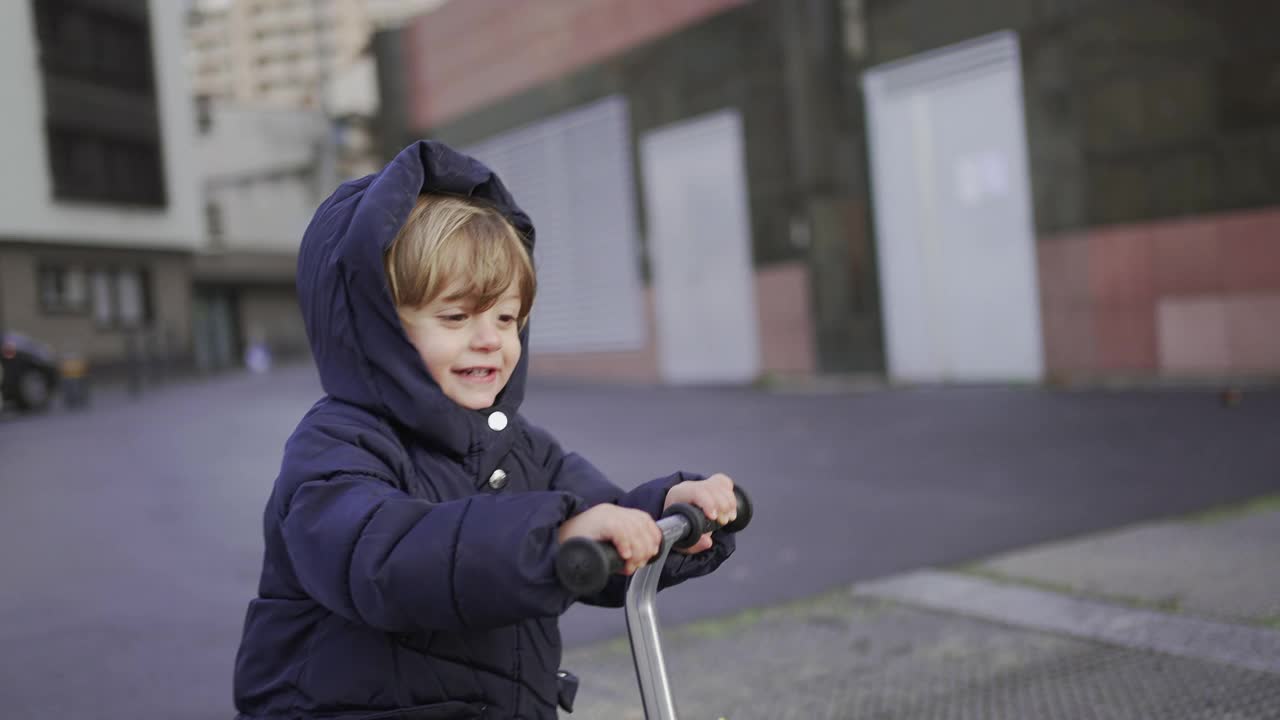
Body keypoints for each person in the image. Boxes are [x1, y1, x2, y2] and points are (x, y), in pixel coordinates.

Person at [232, 141, 738, 720]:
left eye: (506, 317)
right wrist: (549, 537)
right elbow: (387, 561)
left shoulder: (518, 446)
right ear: (374, 328)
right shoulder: (337, 450)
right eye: (455, 317)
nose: (490, 340)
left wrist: (662, 512)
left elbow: (600, 514)